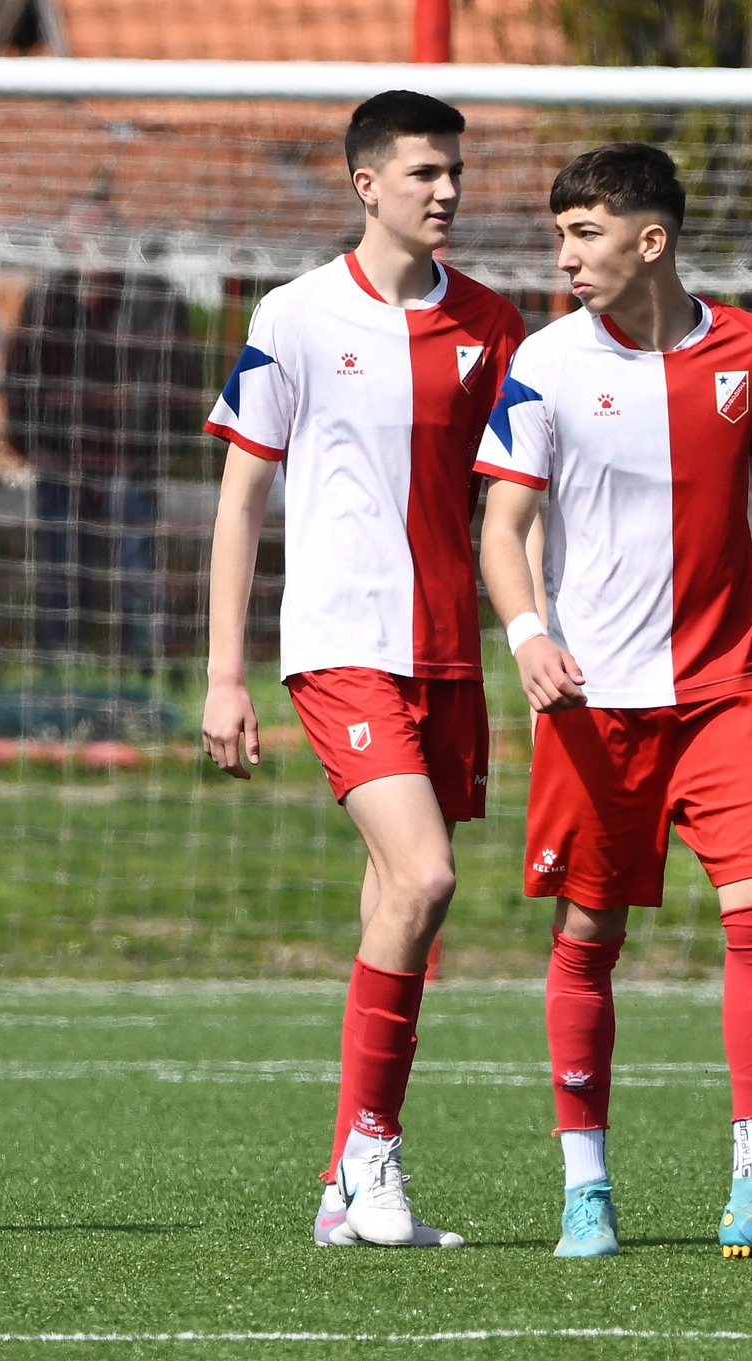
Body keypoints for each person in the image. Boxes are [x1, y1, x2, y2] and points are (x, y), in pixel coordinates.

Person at [473, 142, 752, 1262]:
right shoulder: (544, 361)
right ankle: (585, 1185)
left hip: (726, 694)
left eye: (582, 234)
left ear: (651, 240)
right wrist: (530, 632)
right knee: (589, 935)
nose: (564, 256)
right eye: (559, 235)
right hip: (596, 703)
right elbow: (502, 526)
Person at [199, 90, 524, 1249]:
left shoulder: (494, 321)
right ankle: (374, 1157)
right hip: (341, 645)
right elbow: (243, 498)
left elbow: (522, 503)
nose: (446, 190)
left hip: (449, 652)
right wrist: (224, 674)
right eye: (424, 171)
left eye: (455, 172)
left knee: (399, 901)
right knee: (426, 878)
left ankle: (346, 1186)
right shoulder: (292, 316)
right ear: (365, 184)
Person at [7, 261, 200, 665]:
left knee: (136, 569)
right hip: (62, 459)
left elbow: (184, 378)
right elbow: (18, 373)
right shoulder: (47, 300)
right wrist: (28, 445)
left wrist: (159, 452)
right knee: (60, 564)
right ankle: (58, 661)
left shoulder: (153, 300)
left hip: (129, 462)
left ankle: (145, 663)